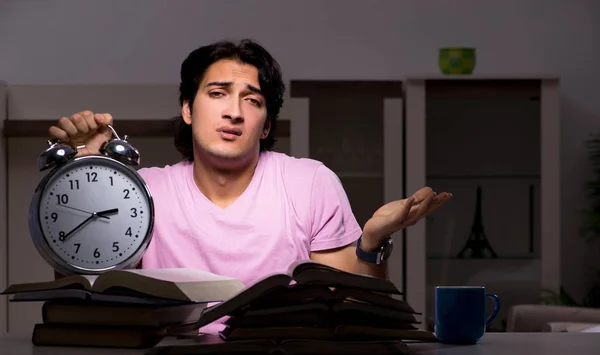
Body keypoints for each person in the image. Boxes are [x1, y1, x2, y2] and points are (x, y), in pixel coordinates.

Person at [48, 39, 452, 288]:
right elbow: (84, 289)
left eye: (252, 100)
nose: (234, 112)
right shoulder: (142, 191)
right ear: (188, 109)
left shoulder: (308, 182)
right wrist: (88, 175)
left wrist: (371, 242)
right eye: (218, 94)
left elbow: (347, 307)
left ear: (265, 125)